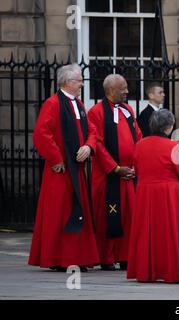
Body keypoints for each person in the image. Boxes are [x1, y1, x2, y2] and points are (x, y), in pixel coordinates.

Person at [28, 64, 99, 272]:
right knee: (60, 212)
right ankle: (59, 257)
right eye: (79, 80)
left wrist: (88, 145)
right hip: (60, 170)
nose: (82, 84)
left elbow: (92, 130)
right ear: (67, 82)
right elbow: (42, 134)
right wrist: (56, 159)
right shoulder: (52, 104)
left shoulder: (78, 104)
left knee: (78, 211)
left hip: (76, 168)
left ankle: (79, 256)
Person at [127, 109, 179, 284]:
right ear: (169, 127)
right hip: (169, 192)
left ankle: (147, 271)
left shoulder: (140, 144)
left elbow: (137, 168)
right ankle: (172, 270)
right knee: (170, 231)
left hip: (145, 191)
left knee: (147, 232)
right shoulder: (174, 147)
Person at [88, 74, 142, 271]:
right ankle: (106, 257)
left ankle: (126, 255)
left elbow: (138, 137)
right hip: (108, 176)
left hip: (128, 175)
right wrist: (116, 168)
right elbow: (98, 144)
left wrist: (136, 164)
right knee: (108, 217)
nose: (127, 91)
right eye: (123, 88)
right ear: (110, 91)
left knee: (129, 217)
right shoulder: (96, 112)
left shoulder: (128, 110)